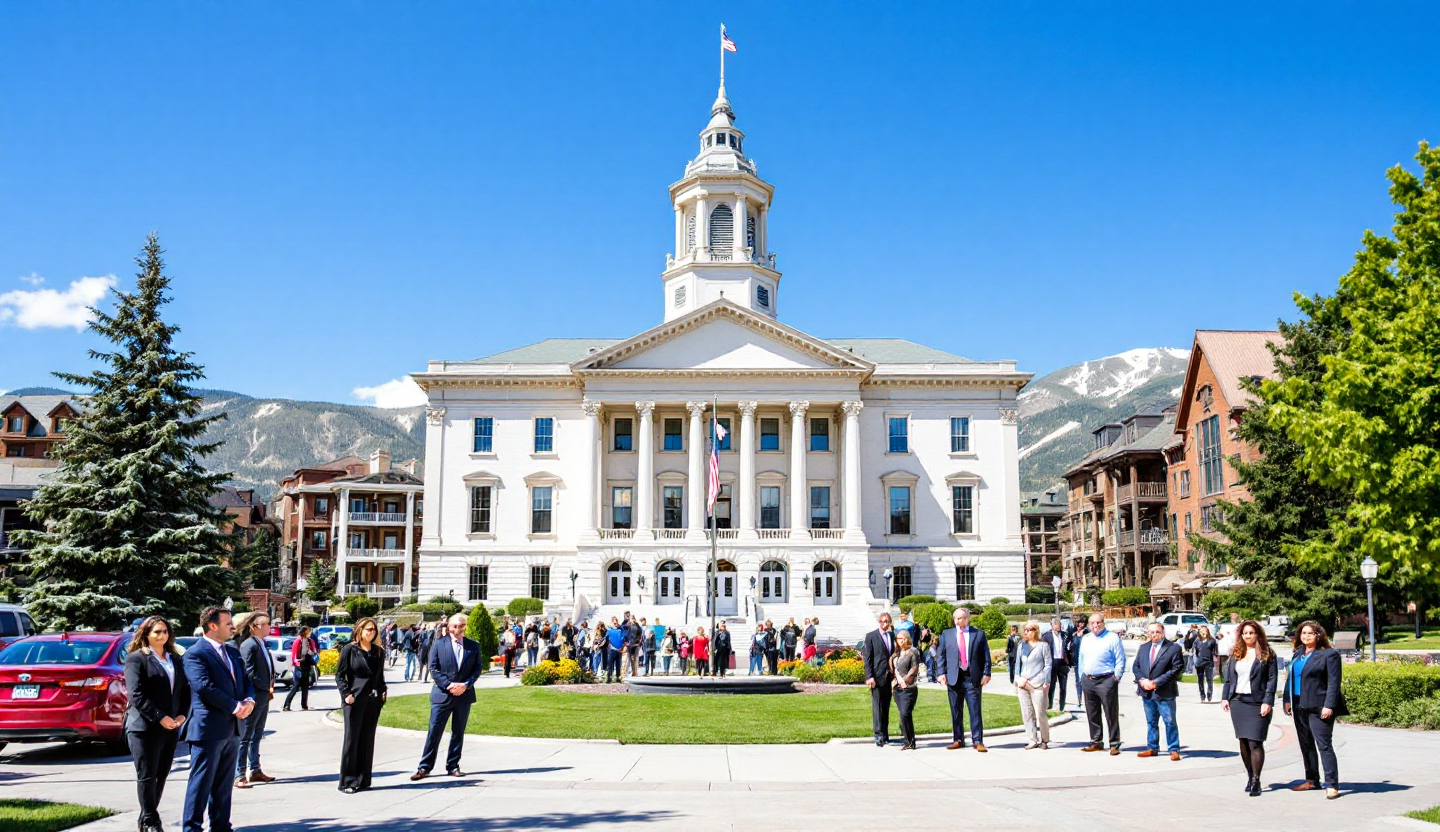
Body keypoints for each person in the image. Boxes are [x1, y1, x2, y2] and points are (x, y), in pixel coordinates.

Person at [182, 606, 255, 832]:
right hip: (208, 730)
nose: (232, 627)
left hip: (232, 729)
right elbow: (204, 687)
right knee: (201, 784)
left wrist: (250, 700)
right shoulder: (195, 654)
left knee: (223, 786)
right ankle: (192, 828)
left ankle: (221, 826)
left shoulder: (232, 651)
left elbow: (245, 679)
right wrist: (235, 706)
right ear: (212, 626)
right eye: (227, 623)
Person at [125, 615, 190, 832]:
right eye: (157, 632)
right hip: (144, 727)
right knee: (147, 774)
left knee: (162, 774)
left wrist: (181, 716)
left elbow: (185, 691)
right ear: (146, 634)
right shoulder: (137, 658)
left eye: (165, 631)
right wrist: (160, 717)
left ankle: (146, 818)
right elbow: (136, 695)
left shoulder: (175, 659)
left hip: (170, 726)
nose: (162, 635)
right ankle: (152, 821)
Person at [412, 613, 481, 780]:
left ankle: (453, 765)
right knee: (434, 731)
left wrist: (465, 685)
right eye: (454, 626)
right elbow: (433, 668)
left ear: (465, 626)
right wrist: (449, 685)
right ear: (448, 626)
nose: (457, 629)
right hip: (442, 695)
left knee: (458, 732)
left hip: (464, 695)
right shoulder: (438, 644)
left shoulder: (473, 646)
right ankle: (424, 767)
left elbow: (477, 669)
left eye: (461, 626)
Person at [1283, 620, 1347, 799]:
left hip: (1319, 706)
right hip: (1298, 704)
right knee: (1306, 744)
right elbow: (1291, 677)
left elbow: (1334, 683)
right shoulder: (1298, 654)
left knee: (1323, 745)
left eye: (1310, 633)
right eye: (1303, 633)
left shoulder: (1329, 654)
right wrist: (1287, 700)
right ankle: (1311, 780)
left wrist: (1329, 705)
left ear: (1318, 635)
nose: (1306, 636)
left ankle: (1332, 783)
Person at [1221, 619, 1278, 797]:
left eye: (1251, 633)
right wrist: (1225, 697)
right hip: (1238, 701)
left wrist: (1267, 701)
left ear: (1257, 634)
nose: (1248, 636)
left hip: (1257, 702)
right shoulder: (1236, 652)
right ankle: (1250, 775)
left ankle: (1256, 780)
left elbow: (1272, 680)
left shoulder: (1267, 653)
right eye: (1245, 633)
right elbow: (1229, 678)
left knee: (1255, 741)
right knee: (1244, 742)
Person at [336, 617, 387, 793]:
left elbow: (379, 677)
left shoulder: (378, 652)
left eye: (374, 630)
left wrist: (383, 693)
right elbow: (340, 675)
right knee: (352, 739)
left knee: (367, 739)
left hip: (373, 701)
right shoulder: (350, 650)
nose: (371, 633)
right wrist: (346, 695)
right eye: (368, 629)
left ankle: (363, 779)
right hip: (354, 700)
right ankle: (348, 781)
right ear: (359, 630)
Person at [935, 608, 991, 752]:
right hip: (954, 679)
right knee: (956, 711)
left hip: (972, 678)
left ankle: (977, 740)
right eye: (956, 618)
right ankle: (958, 739)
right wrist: (941, 674)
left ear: (968, 618)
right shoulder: (946, 634)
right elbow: (940, 656)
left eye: (961, 618)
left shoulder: (978, 634)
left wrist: (986, 673)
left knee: (975, 710)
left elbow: (986, 656)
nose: (958, 621)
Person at [234, 613, 274, 788]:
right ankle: (239, 774)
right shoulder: (248, 645)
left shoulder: (261, 643)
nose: (269, 627)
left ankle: (255, 770)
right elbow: (249, 673)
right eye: (265, 624)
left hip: (264, 695)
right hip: (254, 696)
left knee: (257, 735)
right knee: (246, 736)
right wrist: (264, 686)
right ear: (254, 627)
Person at [1133, 622, 1184, 761]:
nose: (1154, 635)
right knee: (1151, 721)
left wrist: (1156, 683)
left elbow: (1175, 669)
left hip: (1164, 692)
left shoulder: (1173, 648)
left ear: (1163, 632)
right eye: (1151, 632)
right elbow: (1136, 666)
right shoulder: (1143, 648)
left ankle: (1173, 749)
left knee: (1170, 721)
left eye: (1157, 632)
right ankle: (1152, 747)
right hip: (1147, 692)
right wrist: (1142, 680)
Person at [1077, 613, 1127, 755]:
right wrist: (1082, 675)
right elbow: (1081, 658)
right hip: (1089, 679)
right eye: (1092, 623)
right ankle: (1096, 741)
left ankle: (1114, 743)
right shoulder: (1086, 639)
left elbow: (1120, 659)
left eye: (1098, 622)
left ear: (1103, 623)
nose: (1095, 625)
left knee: (1110, 712)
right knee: (1092, 712)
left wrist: (1116, 677)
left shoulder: (1112, 638)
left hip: (1106, 679)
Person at [1009, 621, 1049, 749]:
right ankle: (1032, 739)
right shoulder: (1021, 646)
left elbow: (1048, 665)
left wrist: (1045, 681)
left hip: (1037, 684)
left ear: (1036, 631)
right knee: (1027, 713)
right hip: (1023, 684)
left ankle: (1045, 739)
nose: (1026, 632)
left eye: (1030, 629)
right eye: (1025, 629)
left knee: (1040, 713)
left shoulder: (1043, 646)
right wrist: (1018, 679)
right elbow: (1017, 666)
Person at [862, 612, 897, 746]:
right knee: (877, 705)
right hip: (876, 677)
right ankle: (878, 734)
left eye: (887, 621)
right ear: (879, 622)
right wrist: (869, 676)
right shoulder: (871, 636)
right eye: (882, 621)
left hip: (888, 676)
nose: (885, 624)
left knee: (886, 705)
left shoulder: (891, 636)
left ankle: (885, 732)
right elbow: (867, 658)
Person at [889, 630, 923, 750]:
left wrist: (905, 680)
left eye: (903, 638)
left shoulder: (913, 651)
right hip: (897, 689)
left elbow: (914, 668)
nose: (901, 641)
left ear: (907, 638)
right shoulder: (896, 654)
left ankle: (909, 740)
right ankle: (909, 741)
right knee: (904, 715)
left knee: (905, 713)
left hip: (909, 688)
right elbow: (892, 669)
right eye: (898, 638)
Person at [284, 626, 318, 711]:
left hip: (307, 664)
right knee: (296, 686)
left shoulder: (310, 641)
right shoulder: (298, 640)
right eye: (308, 631)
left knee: (305, 687)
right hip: (299, 665)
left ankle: (304, 705)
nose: (309, 633)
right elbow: (294, 654)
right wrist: (296, 663)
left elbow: (313, 652)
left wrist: (311, 652)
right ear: (304, 632)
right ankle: (286, 705)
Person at [1043, 618, 1073, 711]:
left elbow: (1069, 648)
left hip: (1062, 663)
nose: (1057, 628)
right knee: (1051, 686)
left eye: (1059, 626)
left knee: (1063, 687)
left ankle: (1062, 707)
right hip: (1052, 663)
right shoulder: (1046, 636)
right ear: (1052, 626)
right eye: (1055, 625)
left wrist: (1068, 662)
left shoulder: (1064, 635)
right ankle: (1050, 704)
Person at [1192, 625, 1219, 703]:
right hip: (1200, 663)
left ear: (1207, 632)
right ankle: (1202, 697)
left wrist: (1215, 661)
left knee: (1209, 680)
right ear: (1199, 633)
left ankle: (1209, 697)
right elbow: (1196, 652)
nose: (1203, 632)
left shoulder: (1212, 640)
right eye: (1201, 631)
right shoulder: (1197, 641)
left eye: (1205, 631)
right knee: (1200, 680)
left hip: (1209, 662)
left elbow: (1215, 652)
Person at [604, 619, 626, 683]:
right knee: (610, 664)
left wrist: (620, 626)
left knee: (618, 664)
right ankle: (609, 677)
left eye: (616, 623)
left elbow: (624, 636)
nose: (615, 624)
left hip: (619, 650)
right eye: (614, 623)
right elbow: (605, 639)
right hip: (612, 649)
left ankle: (618, 677)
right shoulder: (609, 631)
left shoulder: (620, 631)